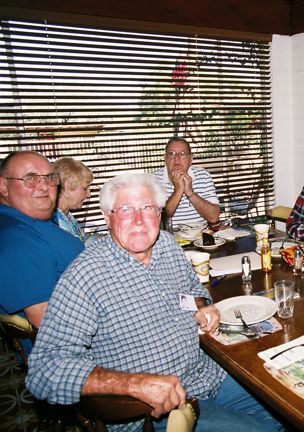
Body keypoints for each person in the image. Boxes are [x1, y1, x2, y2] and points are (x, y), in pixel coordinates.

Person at [26, 173, 282, 431]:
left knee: (284, 404)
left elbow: (193, 289)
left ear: (159, 214)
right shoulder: (86, 276)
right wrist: (135, 384)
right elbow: (44, 370)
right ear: (107, 217)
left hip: (204, 374)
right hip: (146, 412)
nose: (139, 220)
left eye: (148, 208)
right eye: (126, 209)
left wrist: (203, 306)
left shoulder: (167, 246)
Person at [0, 151, 84, 333]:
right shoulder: (17, 241)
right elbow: (46, 320)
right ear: (3, 187)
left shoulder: (30, 220)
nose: (44, 186)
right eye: (30, 178)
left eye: (49, 177)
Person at [153, 137, 220, 227]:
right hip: (169, 238)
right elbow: (159, 219)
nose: (177, 158)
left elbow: (214, 217)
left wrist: (190, 193)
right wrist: (178, 190)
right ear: (165, 158)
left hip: (199, 236)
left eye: (182, 154)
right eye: (171, 154)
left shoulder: (203, 175)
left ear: (191, 159)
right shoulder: (153, 180)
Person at [52, 157, 94, 243]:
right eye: (85, 188)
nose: (89, 194)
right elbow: (79, 252)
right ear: (67, 188)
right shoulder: (56, 223)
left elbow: (84, 240)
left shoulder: (66, 215)